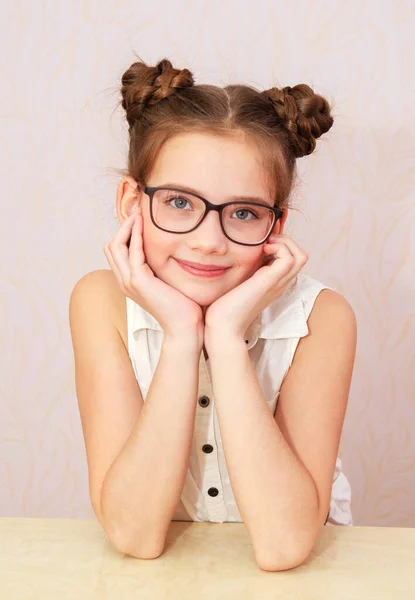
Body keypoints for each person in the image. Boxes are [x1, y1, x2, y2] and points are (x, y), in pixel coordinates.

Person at [69, 57, 357, 571]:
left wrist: (225, 336)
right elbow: (134, 534)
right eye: (179, 202)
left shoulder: (323, 318)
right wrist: (181, 336)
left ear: (277, 224)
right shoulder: (100, 303)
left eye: (243, 213)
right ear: (131, 202)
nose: (208, 242)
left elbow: (284, 545)